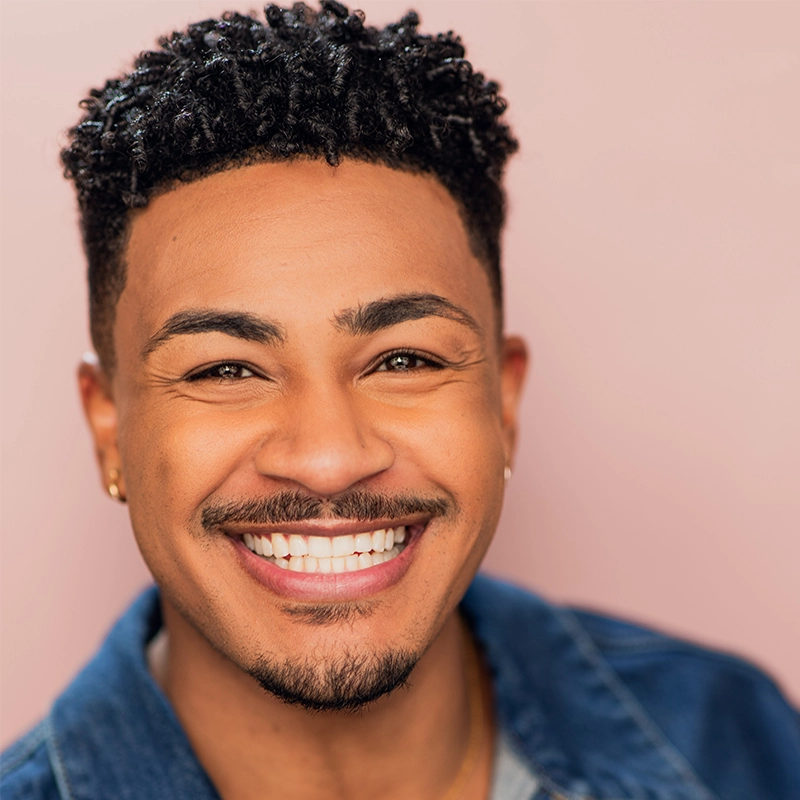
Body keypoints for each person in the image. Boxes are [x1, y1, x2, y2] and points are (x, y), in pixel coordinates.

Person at [1, 2, 798, 798]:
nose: (326, 460)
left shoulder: (738, 742)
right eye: (226, 370)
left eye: (403, 358)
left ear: (504, 404)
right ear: (108, 426)